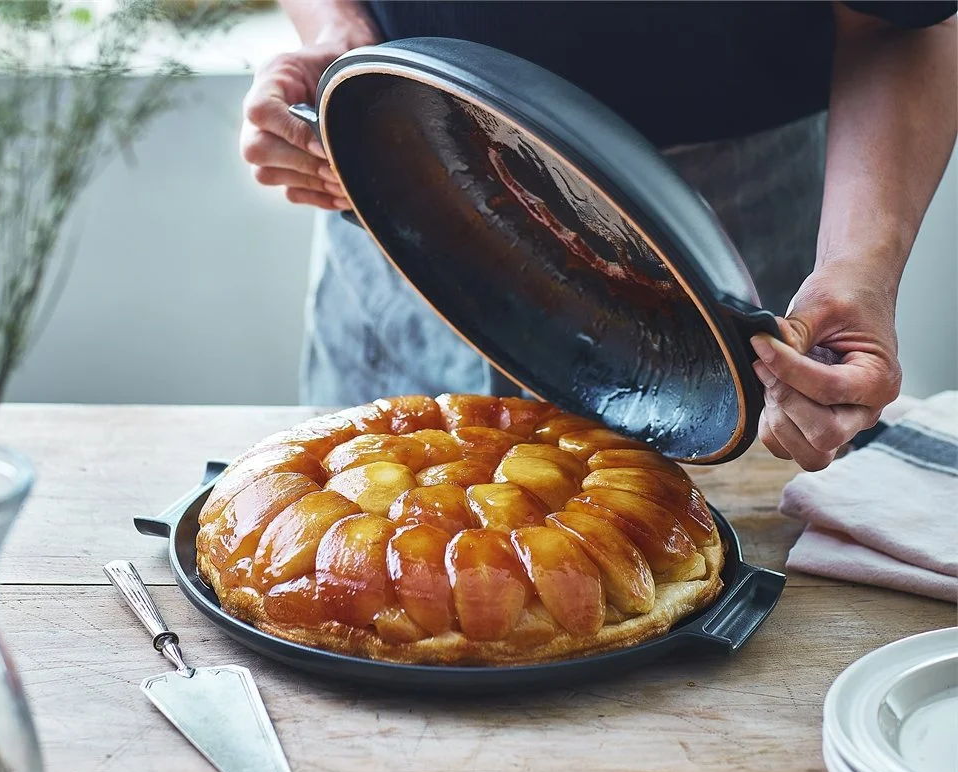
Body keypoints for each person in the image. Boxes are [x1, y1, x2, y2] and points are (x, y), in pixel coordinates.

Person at [240, 1, 957, 471]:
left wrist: (857, 267)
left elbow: (897, 20)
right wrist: (338, 34)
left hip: (734, 212)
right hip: (407, 156)